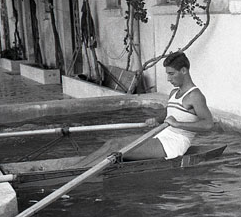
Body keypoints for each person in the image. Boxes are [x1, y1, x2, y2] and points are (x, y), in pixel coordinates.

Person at [77, 52, 213, 166]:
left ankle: (77, 171)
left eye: (171, 74)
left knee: (116, 146)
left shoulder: (195, 95)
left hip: (175, 144)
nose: (168, 78)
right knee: (112, 142)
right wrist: (156, 120)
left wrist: (178, 124)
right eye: (167, 74)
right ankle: (77, 168)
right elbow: (168, 113)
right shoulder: (174, 93)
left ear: (183, 70)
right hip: (162, 135)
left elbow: (208, 124)